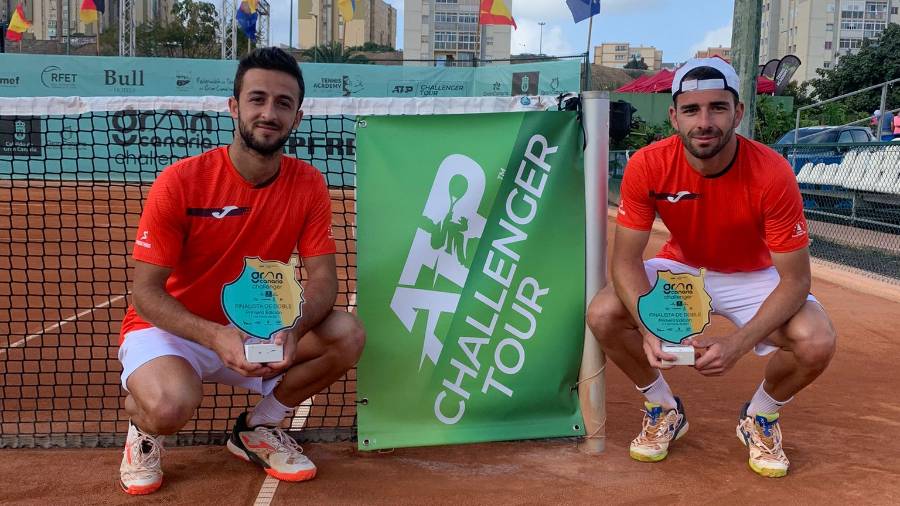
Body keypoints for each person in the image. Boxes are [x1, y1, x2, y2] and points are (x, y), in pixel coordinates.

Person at [116, 47, 365, 495]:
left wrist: (295, 328)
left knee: (346, 333)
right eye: (257, 99)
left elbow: (324, 280)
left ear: (298, 116)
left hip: (261, 330)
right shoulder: (179, 182)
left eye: (283, 103)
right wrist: (213, 336)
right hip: (175, 330)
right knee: (169, 407)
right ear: (234, 107)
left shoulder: (309, 184)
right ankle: (145, 429)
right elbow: (146, 294)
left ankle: (257, 427)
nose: (269, 113)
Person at [587, 57, 836, 478]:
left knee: (816, 341)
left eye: (718, 108)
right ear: (674, 117)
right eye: (691, 109)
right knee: (604, 312)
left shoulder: (772, 173)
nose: (704, 121)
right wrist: (649, 330)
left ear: (738, 113)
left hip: (755, 277)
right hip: (682, 270)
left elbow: (796, 281)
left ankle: (760, 416)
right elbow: (626, 261)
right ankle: (663, 409)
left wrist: (737, 345)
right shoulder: (647, 164)